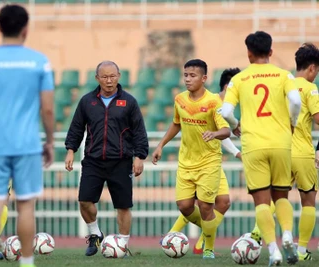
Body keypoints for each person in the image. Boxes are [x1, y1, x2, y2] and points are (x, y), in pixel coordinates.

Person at [0, 5, 54, 267]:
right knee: (25, 206)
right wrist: (48, 141)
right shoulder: (39, 61)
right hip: (26, 145)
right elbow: (48, 108)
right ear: (26, 29)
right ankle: (27, 262)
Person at [221, 31, 302, 266]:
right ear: (271, 52)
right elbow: (296, 102)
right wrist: (292, 123)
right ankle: (287, 234)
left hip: (253, 145)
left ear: (248, 53)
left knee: (262, 201)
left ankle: (274, 250)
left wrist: (236, 126)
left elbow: (226, 112)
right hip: (281, 142)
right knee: (282, 195)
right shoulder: (283, 75)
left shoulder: (240, 79)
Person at [64, 60, 148, 256]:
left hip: (121, 161)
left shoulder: (129, 102)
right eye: (104, 77)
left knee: (123, 206)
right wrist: (70, 150)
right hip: (93, 161)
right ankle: (95, 234)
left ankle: (123, 245)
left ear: (119, 76)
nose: (109, 81)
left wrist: (140, 156)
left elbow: (139, 132)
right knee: (84, 201)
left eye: (112, 76)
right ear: (97, 78)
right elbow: (76, 127)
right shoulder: (87, 101)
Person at [152, 59, 231, 259]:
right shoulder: (180, 99)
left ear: (204, 78)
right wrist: (161, 145)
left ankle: (208, 249)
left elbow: (226, 129)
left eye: (192, 75)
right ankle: (208, 228)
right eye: (185, 75)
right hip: (186, 162)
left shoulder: (213, 101)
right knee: (185, 206)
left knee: (206, 207)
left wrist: (214, 134)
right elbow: (176, 124)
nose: (188, 79)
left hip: (209, 161)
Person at [290, 43, 319, 261]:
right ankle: (301, 251)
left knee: (275, 198)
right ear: (311, 68)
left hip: (281, 151)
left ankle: (259, 236)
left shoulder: (284, 85)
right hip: (302, 152)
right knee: (308, 200)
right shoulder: (310, 89)